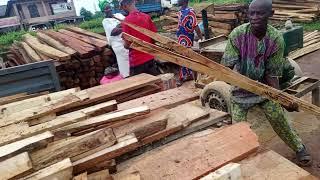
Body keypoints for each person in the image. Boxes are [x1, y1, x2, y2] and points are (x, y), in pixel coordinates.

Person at [221, 0, 312, 166]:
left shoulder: (276, 39)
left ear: (271, 14)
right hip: (240, 91)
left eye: (260, 13)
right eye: (251, 13)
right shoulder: (237, 34)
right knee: (239, 129)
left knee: (278, 117)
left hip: (264, 91)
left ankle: (299, 148)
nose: (254, 17)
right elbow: (226, 68)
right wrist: (235, 80)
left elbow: (272, 75)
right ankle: (241, 159)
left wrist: (281, 99)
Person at [120, 0, 160, 76]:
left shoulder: (126, 21)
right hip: (149, 57)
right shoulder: (146, 17)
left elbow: (127, 45)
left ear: (125, 6)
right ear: (134, 2)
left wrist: (123, 43)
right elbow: (154, 38)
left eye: (122, 7)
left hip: (137, 62)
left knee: (140, 86)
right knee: (155, 83)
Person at [176, 0, 203, 84]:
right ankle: (188, 75)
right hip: (180, 37)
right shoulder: (180, 11)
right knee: (183, 56)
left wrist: (201, 39)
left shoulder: (190, 11)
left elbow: (195, 26)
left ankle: (184, 76)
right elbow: (180, 25)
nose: (177, 1)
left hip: (187, 37)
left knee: (185, 56)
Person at [102, 5, 130, 77]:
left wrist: (119, 26)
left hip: (127, 41)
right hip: (118, 44)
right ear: (103, 12)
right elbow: (113, 32)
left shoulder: (118, 15)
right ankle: (126, 78)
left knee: (132, 61)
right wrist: (123, 25)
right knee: (123, 63)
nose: (108, 11)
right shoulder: (105, 21)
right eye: (106, 10)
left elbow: (128, 22)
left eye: (109, 9)